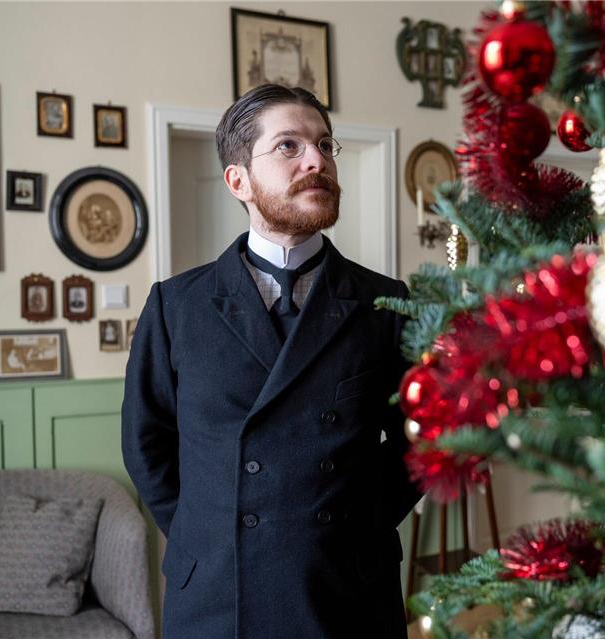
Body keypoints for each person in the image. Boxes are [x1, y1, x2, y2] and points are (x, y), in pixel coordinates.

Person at [121, 84, 421, 639]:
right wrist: (206, 533)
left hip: (345, 589)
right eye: (289, 146)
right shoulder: (175, 305)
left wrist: (359, 526)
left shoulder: (386, 302)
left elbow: (421, 435)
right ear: (238, 181)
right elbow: (147, 445)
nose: (317, 160)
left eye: (325, 145)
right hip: (216, 593)